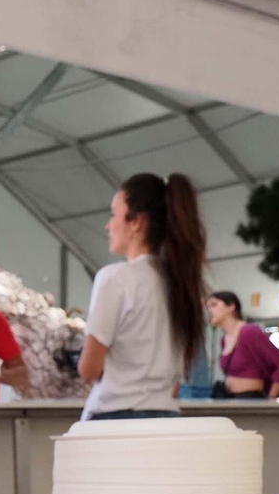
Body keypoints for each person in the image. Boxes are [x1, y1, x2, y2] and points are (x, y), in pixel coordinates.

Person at [77, 173, 208, 420]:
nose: (108, 225)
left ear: (136, 222)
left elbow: (89, 369)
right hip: (166, 416)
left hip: (114, 416)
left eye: (114, 214)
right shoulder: (181, 285)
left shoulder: (114, 277)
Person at [207, 291, 279, 399]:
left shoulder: (249, 332)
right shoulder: (224, 339)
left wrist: (270, 399)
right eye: (208, 307)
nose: (210, 310)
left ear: (231, 307)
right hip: (228, 397)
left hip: (249, 398)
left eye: (214, 305)